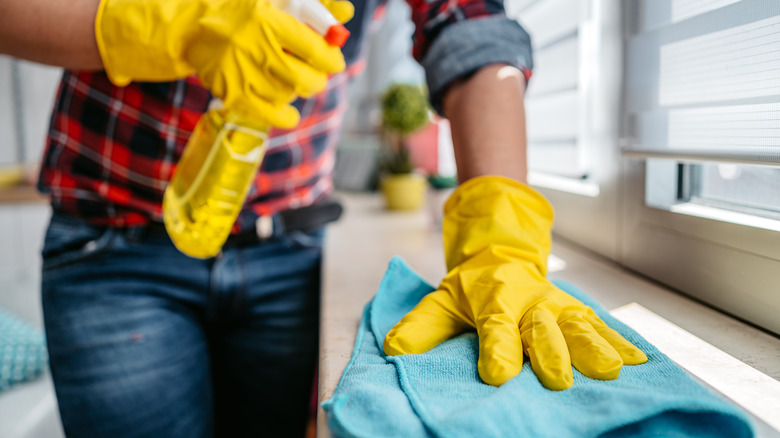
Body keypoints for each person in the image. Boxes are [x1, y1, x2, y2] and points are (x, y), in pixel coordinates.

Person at [0, 0, 647, 435]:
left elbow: (469, 26)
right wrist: (176, 24)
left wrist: (502, 238)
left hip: (289, 250)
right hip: (111, 250)